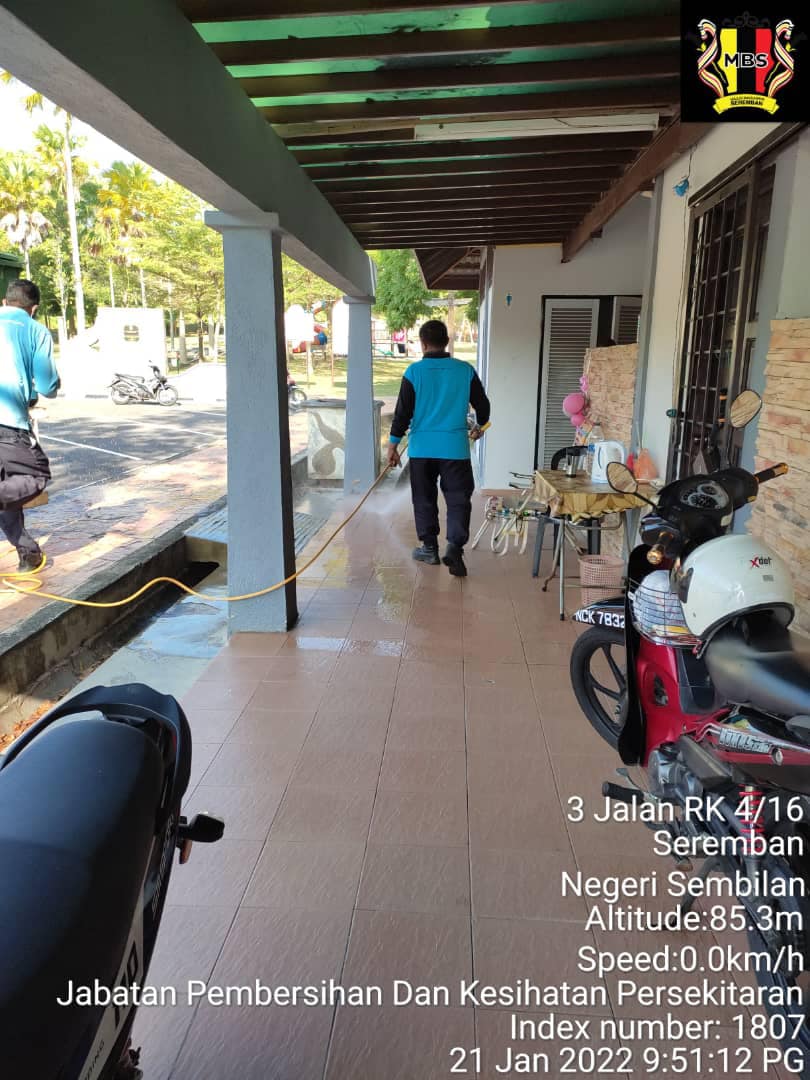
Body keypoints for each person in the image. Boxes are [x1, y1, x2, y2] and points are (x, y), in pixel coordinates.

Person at [387, 319, 490, 578]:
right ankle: (454, 547)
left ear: (423, 344)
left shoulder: (414, 372)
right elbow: (483, 406)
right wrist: (480, 426)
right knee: (458, 499)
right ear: (447, 342)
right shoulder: (464, 370)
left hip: (421, 449)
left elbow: (402, 414)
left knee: (424, 498)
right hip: (455, 449)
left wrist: (393, 446)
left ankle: (429, 548)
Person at [0, 279, 60, 571]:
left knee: (7, 488)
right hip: (8, 423)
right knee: (36, 476)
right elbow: (47, 385)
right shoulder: (35, 330)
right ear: (33, 309)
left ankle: (29, 554)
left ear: (4, 302)